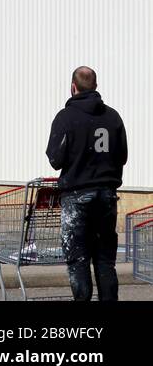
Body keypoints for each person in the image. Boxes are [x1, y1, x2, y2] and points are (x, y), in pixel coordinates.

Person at [47, 66, 128, 302]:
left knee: (78, 260)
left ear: (73, 86)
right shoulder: (112, 117)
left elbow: (55, 159)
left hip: (77, 197)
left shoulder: (65, 117)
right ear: (96, 86)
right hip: (106, 196)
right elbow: (122, 156)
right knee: (104, 261)